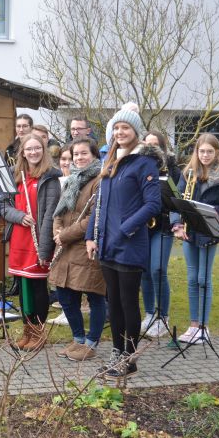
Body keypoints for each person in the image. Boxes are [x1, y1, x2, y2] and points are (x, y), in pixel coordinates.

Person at [84, 109, 161, 381]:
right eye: (116, 128)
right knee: (112, 303)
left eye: (125, 128)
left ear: (136, 131)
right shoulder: (109, 161)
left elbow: (153, 204)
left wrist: (127, 227)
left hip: (129, 245)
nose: (120, 132)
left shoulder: (144, 163)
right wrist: (90, 237)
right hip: (106, 245)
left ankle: (129, 357)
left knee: (128, 303)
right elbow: (99, 202)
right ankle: (117, 352)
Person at [170, 133, 219, 344]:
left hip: (209, 232)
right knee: (192, 279)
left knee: (203, 279)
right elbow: (177, 202)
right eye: (202, 151)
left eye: (210, 151)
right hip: (190, 233)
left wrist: (210, 210)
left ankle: (203, 327)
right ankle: (193, 325)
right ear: (196, 152)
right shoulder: (187, 174)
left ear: (217, 153)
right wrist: (177, 225)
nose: (206, 155)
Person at [4, 133, 62, 352]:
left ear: (43, 150)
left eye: (37, 148)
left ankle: (38, 331)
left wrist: (46, 248)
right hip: (19, 238)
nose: (33, 152)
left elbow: (50, 214)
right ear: (23, 152)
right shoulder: (13, 175)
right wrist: (19, 216)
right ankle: (27, 329)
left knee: (38, 286)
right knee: (23, 288)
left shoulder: (50, 177)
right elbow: (3, 206)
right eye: (29, 149)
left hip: (39, 240)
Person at [50, 138, 107, 361]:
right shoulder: (71, 180)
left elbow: (94, 219)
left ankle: (92, 343)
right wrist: (57, 231)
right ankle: (78, 339)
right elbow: (59, 211)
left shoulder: (100, 182)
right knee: (64, 293)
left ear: (94, 156)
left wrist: (63, 235)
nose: (79, 158)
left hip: (86, 246)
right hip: (66, 246)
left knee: (94, 296)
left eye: (84, 154)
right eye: (76, 154)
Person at [140, 130, 182, 339]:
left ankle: (163, 317)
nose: (151, 147)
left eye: (155, 144)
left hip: (163, 224)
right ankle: (149, 313)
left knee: (157, 269)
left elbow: (177, 198)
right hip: (144, 226)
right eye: (147, 144)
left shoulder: (172, 169)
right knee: (144, 271)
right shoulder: (139, 165)